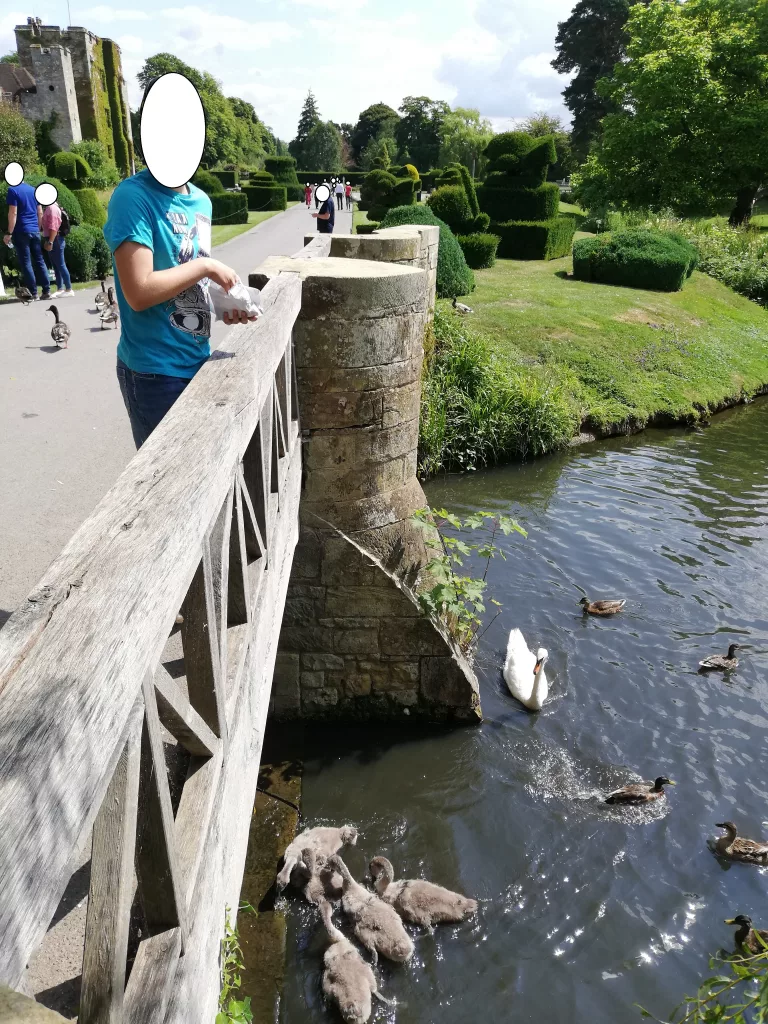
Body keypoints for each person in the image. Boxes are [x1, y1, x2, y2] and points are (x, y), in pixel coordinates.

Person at [104, 72, 256, 450]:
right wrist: (207, 267)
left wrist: (224, 306)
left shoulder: (200, 200)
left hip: (197, 358)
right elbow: (139, 292)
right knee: (165, 489)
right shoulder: (132, 198)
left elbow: (186, 273)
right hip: (154, 374)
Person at [3, 176, 50, 300]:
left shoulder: (13, 191)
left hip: (21, 230)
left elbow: (13, 212)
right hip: (34, 229)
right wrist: (38, 228)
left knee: (26, 262)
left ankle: (33, 293)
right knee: (39, 260)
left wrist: (9, 233)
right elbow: (39, 212)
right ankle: (46, 290)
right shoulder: (34, 190)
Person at [42, 199, 74, 297]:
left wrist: (50, 241)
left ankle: (68, 289)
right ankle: (60, 288)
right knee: (56, 265)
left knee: (60, 264)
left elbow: (54, 227)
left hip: (55, 239)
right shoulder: (49, 208)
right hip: (53, 238)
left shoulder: (52, 208)